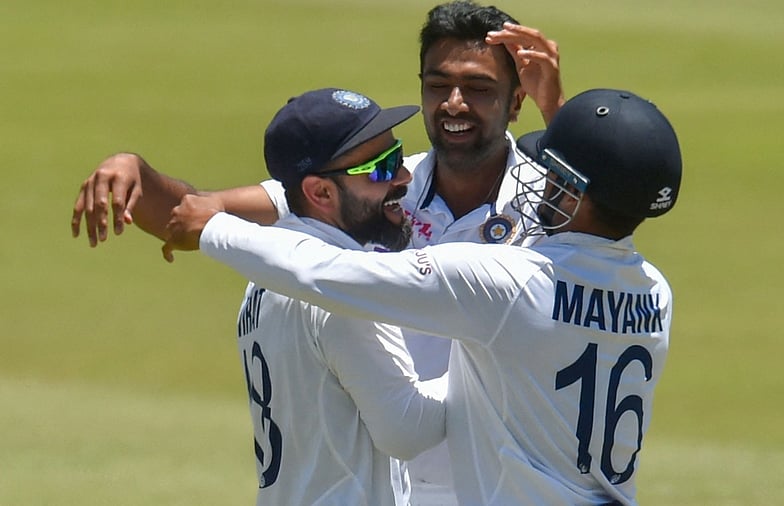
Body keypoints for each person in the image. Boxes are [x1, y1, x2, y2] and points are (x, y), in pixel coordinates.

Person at [70, 2, 563, 503]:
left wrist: (560, 115)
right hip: (398, 480)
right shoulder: (375, 192)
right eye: (438, 85)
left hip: (500, 484)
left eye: (478, 89)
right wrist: (131, 167)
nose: (454, 103)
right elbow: (198, 216)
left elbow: (616, 217)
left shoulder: (549, 203)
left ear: (516, 99)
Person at [162, 88, 683, 506]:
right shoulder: (655, 293)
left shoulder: (506, 281)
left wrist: (215, 228)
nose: (537, 184)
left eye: (551, 178)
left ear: (573, 193)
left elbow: (330, 273)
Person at [202, 87, 447, 505]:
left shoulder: (267, 274)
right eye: (383, 168)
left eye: (400, 157)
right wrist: (494, 359)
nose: (405, 178)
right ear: (320, 193)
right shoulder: (339, 292)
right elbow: (406, 430)